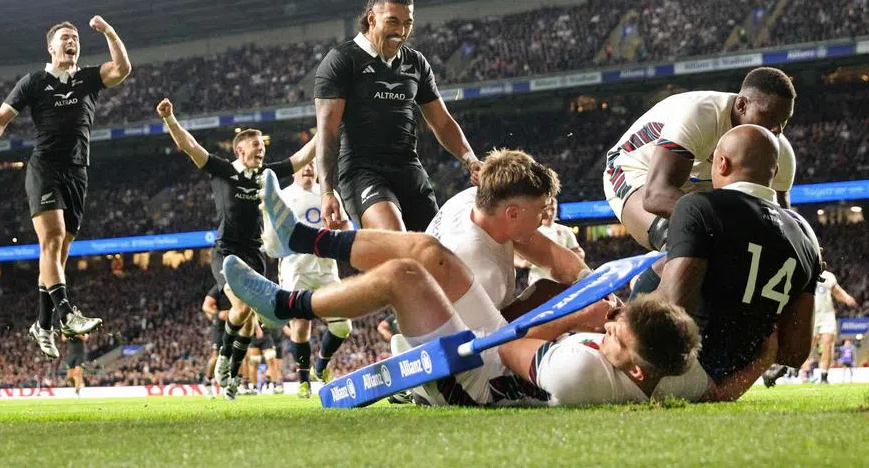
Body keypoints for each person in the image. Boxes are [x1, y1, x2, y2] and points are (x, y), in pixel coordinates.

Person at [242, 168, 708, 407]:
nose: (608, 331)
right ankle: (303, 244)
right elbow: (715, 385)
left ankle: (289, 305)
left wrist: (579, 319)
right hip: (495, 346)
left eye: (615, 338)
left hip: (483, 378)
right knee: (425, 250)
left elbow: (511, 347)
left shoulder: (581, 373)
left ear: (639, 373)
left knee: (404, 274)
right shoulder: (673, 365)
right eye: (616, 327)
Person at [0, 17, 131, 358]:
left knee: (57, 254)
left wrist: (108, 31)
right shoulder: (34, 82)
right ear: (51, 47)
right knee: (53, 239)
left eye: (75, 37)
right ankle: (66, 313)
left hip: (78, 172)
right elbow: (0, 119)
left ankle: (42, 324)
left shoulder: (88, 78)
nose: (72, 41)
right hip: (44, 167)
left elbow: (122, 68)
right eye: (65, 37)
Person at [156, 97, 315, 400]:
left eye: (263, 146)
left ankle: (229, 372)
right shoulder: (222, 170)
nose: (262, 150)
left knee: (249, 318)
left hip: (256, 254)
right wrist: (170, 120)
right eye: (256, 146)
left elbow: (303, 156)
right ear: (240, 149)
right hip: (226, 252)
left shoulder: (266, 174)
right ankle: (226, 365)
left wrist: (329, 125)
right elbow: (190, 146)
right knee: (240, 309)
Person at [658, 125, 821, 401]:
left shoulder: (698, 206)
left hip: (673, 372)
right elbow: (794, 352)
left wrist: (620, 313)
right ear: (776, 172)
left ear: (721, 163)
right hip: (733, 376)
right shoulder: (805, 236)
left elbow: (671, 313)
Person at [314, 0, 481, 232]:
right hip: (363, 172)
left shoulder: (416, 62)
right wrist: (327, 191)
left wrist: (471, 161)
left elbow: (442, 122)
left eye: (407, 23)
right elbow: (327, 131)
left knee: (434, 252)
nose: (401, 31)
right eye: (393, 21)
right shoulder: (341, 60)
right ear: (372, 18)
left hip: (408, 169)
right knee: (397, 240)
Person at [602, 67, 797, 250]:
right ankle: (648, 285)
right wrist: (731, 226)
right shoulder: (700, 113)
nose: (777, 130)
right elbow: (656, 196)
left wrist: (803, 250)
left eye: (784, 121)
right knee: (682, 237)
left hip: (699, 184)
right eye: (769, 116)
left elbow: (780, 219)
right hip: (637, 171)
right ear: (741, 105)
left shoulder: (780, 151)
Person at [425, 151, 591, 312]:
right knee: (548, 298)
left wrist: (597, 288)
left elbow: (551, 256)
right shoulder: (482, 272)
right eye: (541, 209)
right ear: (513, 214)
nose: (544, 218)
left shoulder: (478, 200)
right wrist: (573, 318)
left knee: (545, 292)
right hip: (459, 332)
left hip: (461, 314)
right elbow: (488, 339)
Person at [262, 162, 352, 396]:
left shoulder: (327, 194)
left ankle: (319, 368)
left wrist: (343, 232)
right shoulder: (284, 196)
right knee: (300, 328)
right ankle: (304, 382)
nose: (308, 168)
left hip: (326, 269)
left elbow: (345, 225)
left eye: (313, 164)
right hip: (295, 270)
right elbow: (271, 237)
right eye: (304, 165)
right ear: (295, 170)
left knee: (343, 326)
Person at [515, 198, 586, 282]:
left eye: (553, 209)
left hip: (562, 281)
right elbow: (513, 253)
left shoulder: (565, 230)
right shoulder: (531, 230)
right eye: (547, 209)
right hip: (538, 280)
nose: (550, 213)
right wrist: (522, 263)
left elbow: (579, 252)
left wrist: (566, 259)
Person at [811, 263, 858, 384]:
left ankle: (823, 376)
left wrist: (847, 298)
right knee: (807, 346)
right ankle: (792, 369)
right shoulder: (805, 273)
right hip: (810, 316)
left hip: (826, 315)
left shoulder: (828, 276)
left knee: (827, 344)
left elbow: (836, 291)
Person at [201, 284, 230, 394]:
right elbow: (205, 306)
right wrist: (218, 314)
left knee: (233, 356)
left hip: (234, 325)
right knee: (216, 356)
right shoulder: (218, 288)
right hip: (220, 327)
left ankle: (229, 385)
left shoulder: (238, 286)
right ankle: (207, 381)